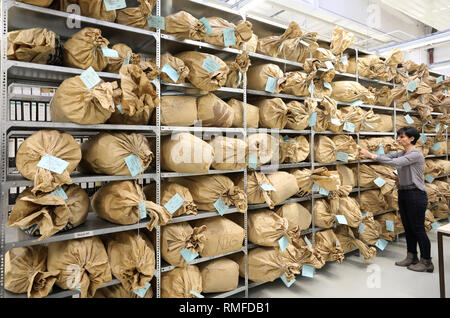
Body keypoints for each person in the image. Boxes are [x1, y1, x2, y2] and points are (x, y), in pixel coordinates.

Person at [359, 126, 433, 273]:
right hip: (404, 193)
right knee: (408, 227)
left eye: (402, 137)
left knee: (418, 228)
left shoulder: (415, 154)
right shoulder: (402, 152)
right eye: (398, 137)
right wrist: (369, 155)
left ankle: (427, 261)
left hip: (416, 194)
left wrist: (371, 156)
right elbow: (389, 158)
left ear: (412, 139)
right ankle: (412, 256)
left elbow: (396, 163)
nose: (398, 139)